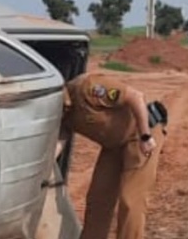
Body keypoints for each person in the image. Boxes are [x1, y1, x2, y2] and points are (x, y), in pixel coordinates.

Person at [58, 71, 168, 239]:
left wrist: (145, 136)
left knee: (130, 201)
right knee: (98, 200)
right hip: (113, 146)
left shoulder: (88, 88)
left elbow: (136, 97)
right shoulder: (63, 114)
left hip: (139, 136)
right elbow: (61, 138)